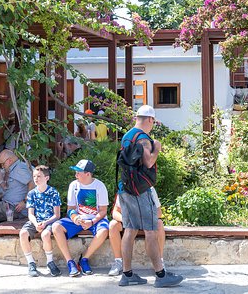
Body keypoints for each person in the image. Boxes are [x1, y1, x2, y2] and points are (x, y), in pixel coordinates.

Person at [117, 105, 182, 288]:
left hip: (125, 187)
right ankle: (161, 276)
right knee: (151, 231)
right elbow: (149, 161)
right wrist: (158, 148)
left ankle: (127, 274)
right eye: (153, 121)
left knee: (129, 230)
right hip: (139, 190)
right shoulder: (143, 138)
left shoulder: (127, 135)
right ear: (150, 120)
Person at [52, 159, 109, 277]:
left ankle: (84, 259)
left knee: (104, 231)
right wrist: (74, 217)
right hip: (79, 219)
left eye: (78, 172)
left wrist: (92, 221)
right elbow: (70, 208)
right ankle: (70, 262)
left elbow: (103, 211)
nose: (75, 175)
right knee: (56, 226)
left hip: (95, 219)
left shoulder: (100, 186)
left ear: (88, 174)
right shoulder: (73, 185)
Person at [108, 187, 165, 276]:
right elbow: (115, 212)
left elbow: (159, 213)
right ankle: (118, 262)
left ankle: (160, 262)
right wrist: (127, 220)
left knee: (159, 224)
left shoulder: (150, 189)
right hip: (128, 222)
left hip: (146, 221)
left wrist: (142, 220)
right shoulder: (124, 187)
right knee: (113, 225)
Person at [19, 165, 62, 277]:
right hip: (36, 221)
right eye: (34, 176)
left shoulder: (53, 193)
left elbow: (57, 215)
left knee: (46, 234)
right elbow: (30, 214)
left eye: (39, 176)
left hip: (49, 221)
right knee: (23, 233)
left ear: (46, 178)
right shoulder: (31, 194)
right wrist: (36, 223)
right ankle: (31, 263)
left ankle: (50, 262)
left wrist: (45, 223)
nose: (36, 179)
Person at [0, 150, 33, 224]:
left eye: (2, 164)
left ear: (9, 160)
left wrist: (25, 201)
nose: (2, 166)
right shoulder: (13, 168)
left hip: (15, 209)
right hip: (9, 206)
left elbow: (33, 182)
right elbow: (9, 190)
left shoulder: (19, 169)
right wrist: (1, 180)